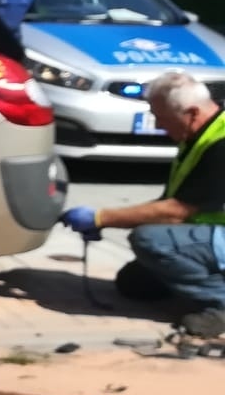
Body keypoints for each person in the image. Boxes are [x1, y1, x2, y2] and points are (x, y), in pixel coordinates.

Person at [60, 70, 225, 336]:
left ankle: (220, 304)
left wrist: (101, 218)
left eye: (162, 119)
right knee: (135, 283)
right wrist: (108, 220)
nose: (159, 127)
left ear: (191, 113)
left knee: (150, 240)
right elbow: (169, 204)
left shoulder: (221, 144)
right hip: (213, 239)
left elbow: (176, 212)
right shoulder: (199, 135)